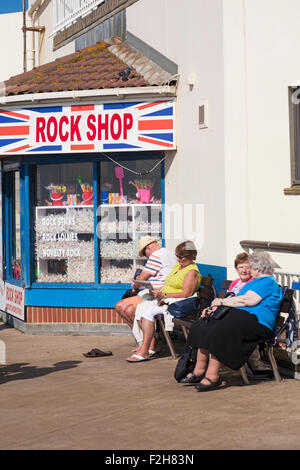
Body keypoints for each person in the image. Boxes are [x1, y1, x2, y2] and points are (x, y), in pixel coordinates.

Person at [180, 251, 282, 391]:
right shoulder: (255, 282)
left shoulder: (267, 282)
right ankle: (199, 369)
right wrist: (214, 308)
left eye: (250, 267)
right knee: (204, 324)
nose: (248, 270)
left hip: (258, 323)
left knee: (221, 330)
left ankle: (213, 376)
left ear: (257, 269)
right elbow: (236, 300)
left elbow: (247, 300)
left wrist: (220, 301)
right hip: (244, 318)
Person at [127, 241, 202, 363]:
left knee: (148, 313)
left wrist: (164, 294)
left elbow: (186, 293)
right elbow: (169, 283)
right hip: (166, 299)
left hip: (179, 302)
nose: (177, 259)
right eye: (177, 255)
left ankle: (145, 351)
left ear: (190, 257)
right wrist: (159, 290)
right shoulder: (179, 266)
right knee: (141, 309)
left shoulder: (191, 271)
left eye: (181, 257)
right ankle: (147, 347)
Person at [115, 236, 177, 329]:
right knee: (123, 307)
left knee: (122, 307)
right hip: (164, 293)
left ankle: (144, 340)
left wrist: (135, 285)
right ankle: (145, 339)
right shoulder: (169, 253)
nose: (146, 256)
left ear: (148, 248)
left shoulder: (155, 256)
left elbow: (140, 281)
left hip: (157, 295)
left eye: (144, 254)